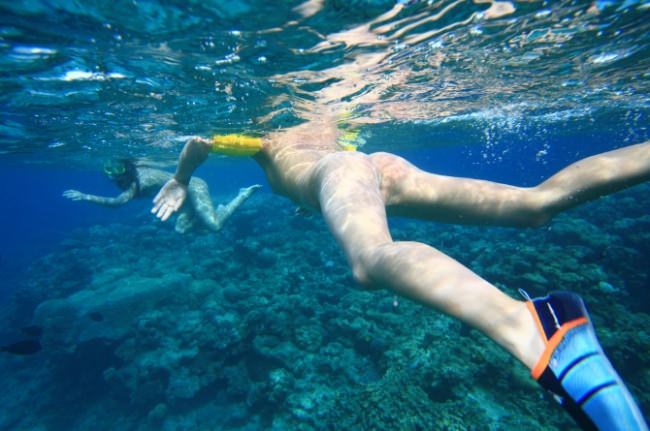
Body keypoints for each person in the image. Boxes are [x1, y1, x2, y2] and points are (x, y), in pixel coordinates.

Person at [152, 3, 649, 429]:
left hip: (342, 171)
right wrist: (322, 204)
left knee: (370, 261)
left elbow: (198, 142)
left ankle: (529, 326)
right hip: (375, 168)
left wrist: (177, 179)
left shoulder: (261, 138)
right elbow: (331, 179)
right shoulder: (305, 132)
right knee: (535, 205)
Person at [63, 158, 261, 234]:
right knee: (182, 229)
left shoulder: (138, 182)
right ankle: (214, 212)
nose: (115, 175)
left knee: (214, 226)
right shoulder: (129, 179)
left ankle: (243, 195)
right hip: (180, 201)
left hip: (193, 187)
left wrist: (86, 196)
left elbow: (117, 203)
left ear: (129, 167)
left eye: (119, 169)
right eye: (110, 170)